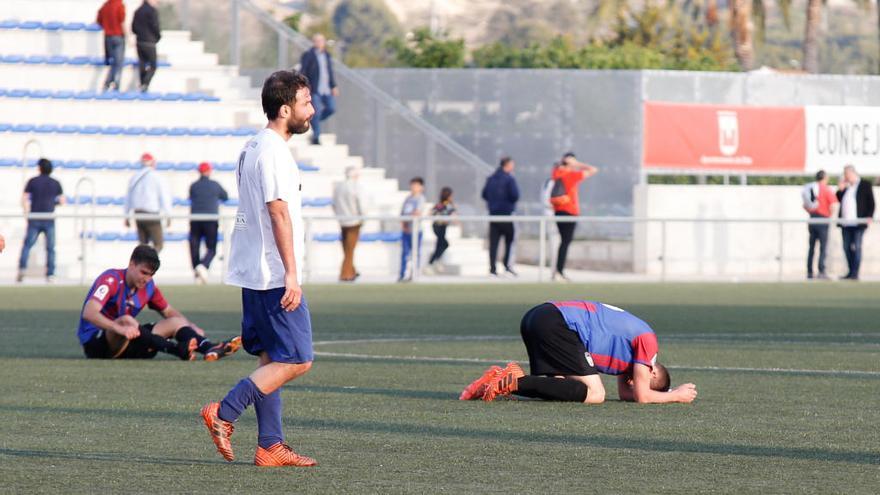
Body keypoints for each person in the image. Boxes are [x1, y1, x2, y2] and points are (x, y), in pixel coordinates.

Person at [201, 70, 318, 468]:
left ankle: (270, 444)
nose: (312, 110)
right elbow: (278, 212)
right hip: (271, 275)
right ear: (285, 109)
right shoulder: (272, 152)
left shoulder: (252, 146)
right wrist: (291, 274)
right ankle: (225, 412)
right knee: (298, 359)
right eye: (305, 103)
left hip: (253, 271)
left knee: (271, 360)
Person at [460, 300, 698, 405]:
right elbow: (642, 396)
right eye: (644, 378)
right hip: (558, 323)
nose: (634, 381)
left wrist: (641, 389)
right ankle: (512, 381)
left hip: (538, 316)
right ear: (652, 371)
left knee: (562, 388)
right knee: (595, 394)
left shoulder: (626, 357)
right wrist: (675, 395)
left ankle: (495, 381)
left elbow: (630, 395)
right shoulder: (648, 342)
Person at [77, 244, 241, 361]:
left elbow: (168, 312)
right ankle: (177, 350)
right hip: (97, 344)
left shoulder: (148, 287)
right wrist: (118, 327)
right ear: (131, 264)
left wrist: (191, 327)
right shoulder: (111, 279)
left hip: (129, 342)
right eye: (144, 272)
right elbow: (89, 312)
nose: (146, 279)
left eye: (151, 275)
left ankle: (209, 348)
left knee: (176, 322)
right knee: (127, 320)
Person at [550, 152, 598, 282]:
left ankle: (557, 270)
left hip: (558, 211)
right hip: (569, 212)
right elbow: (593, 169)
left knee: (563, 242)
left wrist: (565, 163)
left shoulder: (556, 173)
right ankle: (559, 271)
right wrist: (577, 164)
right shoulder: (571, 175)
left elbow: (556, 171)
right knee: (565, 242)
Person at [18, 158, 65, 283]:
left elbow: (24, 198)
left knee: (28, 245)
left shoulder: (33, 181)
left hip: (35, 217)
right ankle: (50, 274)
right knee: (50, 247)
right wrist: (53, 203)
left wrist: (27, 212)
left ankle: (22, 270)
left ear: (39, 168)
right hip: (48, 218)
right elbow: (62, 201)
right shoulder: (55, 183)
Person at [189, 162, 228, 284]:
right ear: (209, 171)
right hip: (211, 219)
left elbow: (191, 197)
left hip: (195, 219)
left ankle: (197, 269)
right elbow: (225, 197)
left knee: (194, 246)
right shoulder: (215, 185)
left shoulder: (194, 186)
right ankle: (203, 266)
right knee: (211, 248)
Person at [124, 152, 172, 252]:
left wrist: (126, 215)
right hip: (151, 213)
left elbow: (128, 198)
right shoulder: (157, 177)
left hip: (138, 213)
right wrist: (168, 214)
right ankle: (149, 263)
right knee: (158, 244)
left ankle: (143, 263)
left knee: (143, 246)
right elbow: (164, 197)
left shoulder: (134, 177)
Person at [481, 157, 520, 277]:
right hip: (506, 214)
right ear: (507, 165)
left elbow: (484, 194)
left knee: (494, 243)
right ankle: (507, 267)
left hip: (493, 214)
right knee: (509, 241)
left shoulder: (491, 178)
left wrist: (493, 204)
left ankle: (492, 269)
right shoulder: (509, 179)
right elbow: (515, 195)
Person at [836, 165, 875, 281]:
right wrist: (840, 190)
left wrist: (869, 217)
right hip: (845, 223)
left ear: (852, 173)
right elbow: (839, 199)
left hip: (859, 223)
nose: (845, 177)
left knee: (857, 247)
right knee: (846, 247)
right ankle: (850, 271)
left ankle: (855, 273)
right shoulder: (847, 187)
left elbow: (871, 202)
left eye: (846, 175)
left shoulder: (865, 184)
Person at [299, 33, 338, 145]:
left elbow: (329, 72)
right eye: (317, 41)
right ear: (314, 42)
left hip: (326, 88)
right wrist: (304, 86)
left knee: (331, 108)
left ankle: (313, 122)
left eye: (321, 41)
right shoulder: (308, 55)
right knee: (316, 111)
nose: (320, 43)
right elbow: (303, 71)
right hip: (314, 88)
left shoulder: (327, 55)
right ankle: (316, 137)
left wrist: (333, 85)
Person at [802, 170, 837, 280]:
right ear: (825, 178)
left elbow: (805, 205)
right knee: (822, 247)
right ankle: (821, 271)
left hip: (813, 219)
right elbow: (833, 205)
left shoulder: (810, 189)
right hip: (823, 219)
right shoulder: (826, 189)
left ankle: (809, 271)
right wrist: (830, 216)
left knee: (811, 247)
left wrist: (812, 212)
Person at [331, 166, 365, 282]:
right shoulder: (355, 186)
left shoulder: (338, 187)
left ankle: (352, 271)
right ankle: (345, 274)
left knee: (346, 248)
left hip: (342, 220)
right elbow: (361, 203)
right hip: (354, 221)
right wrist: (363, 217)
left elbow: (334, 204)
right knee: (350, 249)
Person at [398, 177, 426, 282]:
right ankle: (402, 274)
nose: (414, 187)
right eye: (412, 185)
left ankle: (414, 275)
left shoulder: (421, 199)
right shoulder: (407, 199)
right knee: (405, 253)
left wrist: (408, 220)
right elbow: (402, 213)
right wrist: (404, 225)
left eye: (416, 185)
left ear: (421, 187)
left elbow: (417, 212)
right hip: (406, 231)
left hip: (416, 231)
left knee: (415, 253)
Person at [132, 0, 161, 92]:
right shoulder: (152, 11)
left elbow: (133, 28)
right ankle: (145, 83)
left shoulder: (138, 11)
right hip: (149, 42)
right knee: (153, 65)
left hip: (140, 41)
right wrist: (157, 37)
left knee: (142, 63)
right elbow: (155, 26)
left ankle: (142, 83)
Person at [96, 0, 126, 91]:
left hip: (107, 37)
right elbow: (122, 21)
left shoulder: (105, 6)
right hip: (118, 36)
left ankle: (108, 83)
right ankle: (115, 85)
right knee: (118, 62)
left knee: (113, 62)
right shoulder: (120, 5)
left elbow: (99, 20)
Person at [426, 187, 457, 273]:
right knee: (443, 244)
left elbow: (431, 212)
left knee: (441, 245)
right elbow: (454, 215)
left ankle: (436, 260)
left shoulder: (440, 204)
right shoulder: (446, 205)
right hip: (440, 227)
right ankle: (432, 262)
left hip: (439, 226)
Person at [540, 163, 562, 273]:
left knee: (556, 243)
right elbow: (546, 200)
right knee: (554, 243)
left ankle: (555, 269)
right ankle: (555, 270)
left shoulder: (551, 182)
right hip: (552, 214)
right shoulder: (552, 183)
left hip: (552, 213)